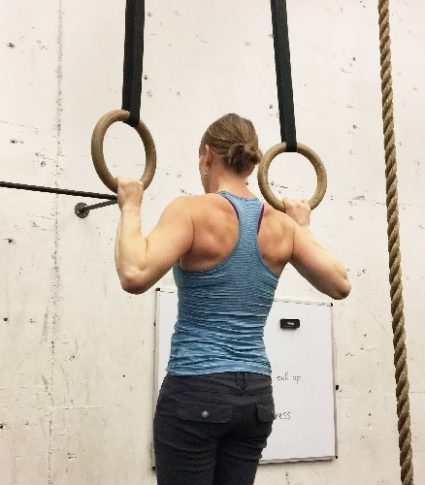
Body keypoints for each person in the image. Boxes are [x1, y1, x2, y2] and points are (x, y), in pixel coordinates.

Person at [114, 113, 351, 485]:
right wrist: (302, 226)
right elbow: (340, 284)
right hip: (254, 399)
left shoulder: (191, 211)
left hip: (197, 388)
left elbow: (134, 273)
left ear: (207, 156)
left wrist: (130, 206)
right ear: (253, 164)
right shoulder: (283, 226)